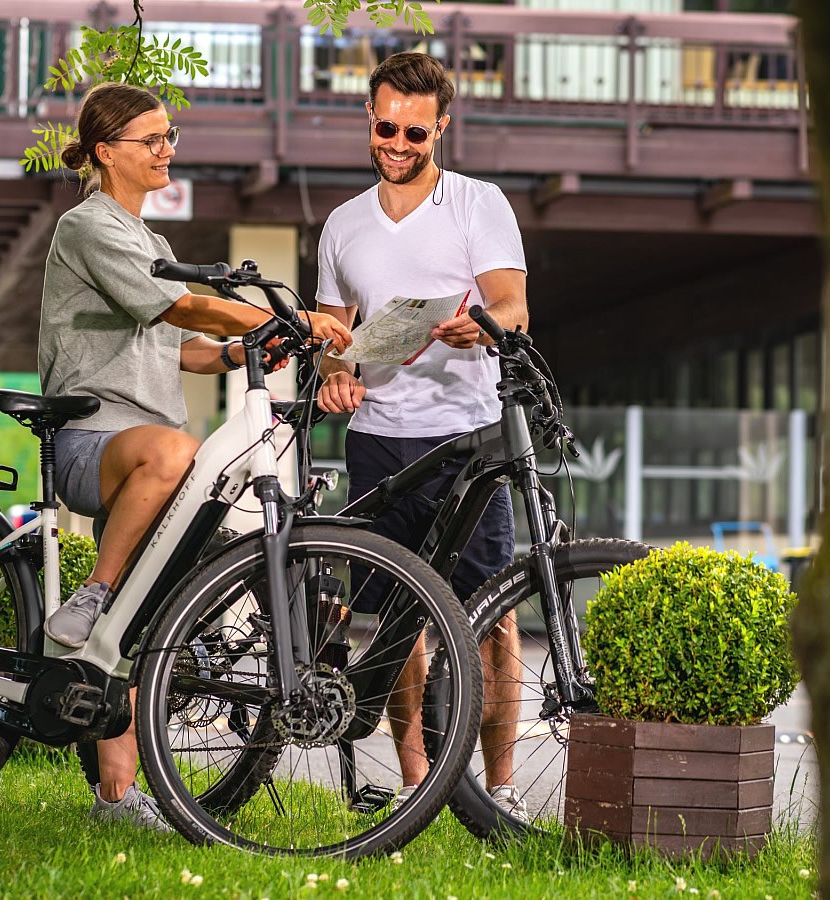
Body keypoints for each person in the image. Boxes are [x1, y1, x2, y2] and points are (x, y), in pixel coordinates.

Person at [38, 81, 354, 830]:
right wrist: (292, 315)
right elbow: (181, 306)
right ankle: (95, 595)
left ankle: (114, 797)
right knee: (178, 454)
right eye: (152, 139)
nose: (167, 149)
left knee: (146, 617)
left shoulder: (153, 243)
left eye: (170, 136)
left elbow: (186, 347)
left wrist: (253, 343)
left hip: (150, 453)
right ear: (107, 151)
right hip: (92, 438)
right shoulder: (88, 226)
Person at [314, 51, 529, 815]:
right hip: (376, 438)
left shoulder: (479, 204)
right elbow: (333, 335)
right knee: (399, 619)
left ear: (441, 125)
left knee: (494, 614)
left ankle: (500, 791)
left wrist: (482, 326)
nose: (397, 143)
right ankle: (415, 784)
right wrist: (334, 373)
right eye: (384, 127)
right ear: (368, 122)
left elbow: (512, 305)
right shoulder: (341, 226)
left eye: (415, 130)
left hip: (466, 438)